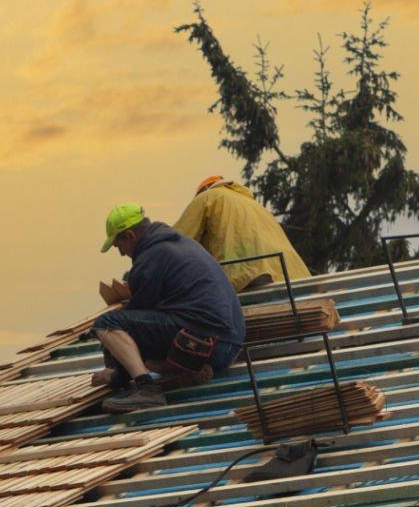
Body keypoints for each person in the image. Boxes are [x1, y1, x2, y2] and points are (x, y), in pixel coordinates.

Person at [93, 203, 248, 413]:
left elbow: (133, 328)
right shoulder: (181, 243)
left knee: (107, 324)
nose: (121, 254)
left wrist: (117, 375)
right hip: (229, 345)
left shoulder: (149, 259)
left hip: (206, 343)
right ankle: (187, 370)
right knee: (145, 349)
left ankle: (147, 390)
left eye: (118, 246)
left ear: (129, 236)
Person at [174, 175, 312, 294]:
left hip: (251, 274)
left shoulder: (208, 197)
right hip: (294, 275)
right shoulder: (254, 205)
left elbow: (177, 241)